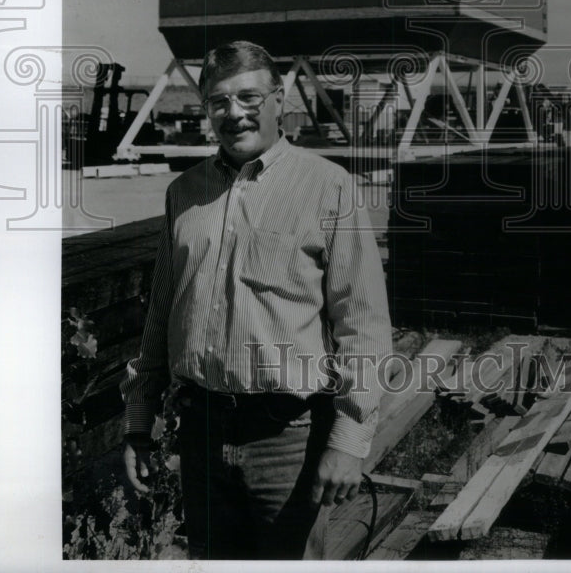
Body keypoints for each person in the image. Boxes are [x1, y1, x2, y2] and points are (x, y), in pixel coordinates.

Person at [121, 41, 391, 560]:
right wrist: (139, 426)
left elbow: (364, 325)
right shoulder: (184, 193)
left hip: (286, 439)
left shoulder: (329, 187)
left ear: (278, 99)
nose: (234, 113)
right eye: (218, 102)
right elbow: (161, 316)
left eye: (248, 97)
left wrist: (349, 440)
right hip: (199, 434)